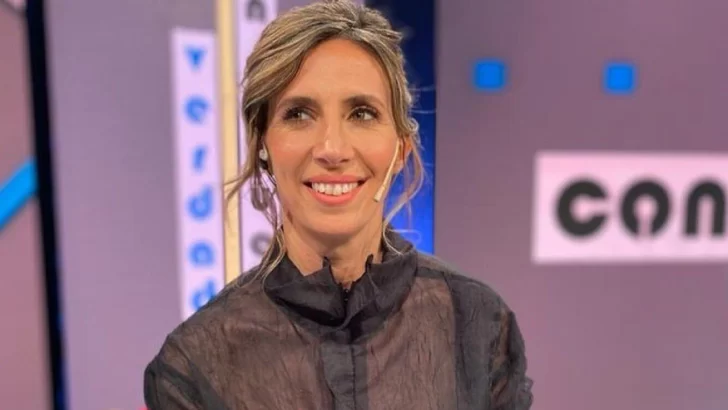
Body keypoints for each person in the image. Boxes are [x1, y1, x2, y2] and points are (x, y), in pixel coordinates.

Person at [143, 0, 533, 408]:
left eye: (362, 113)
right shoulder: (194, 366)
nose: (332, 149)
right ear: (263, 145)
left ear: (401, 147)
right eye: (299, 114)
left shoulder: (477, 324)